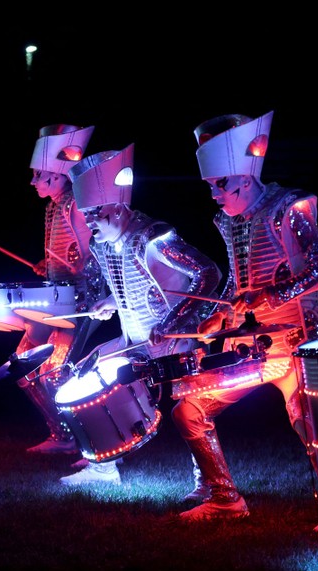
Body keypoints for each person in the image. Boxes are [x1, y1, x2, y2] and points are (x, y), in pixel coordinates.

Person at [171, 111, 318, 522]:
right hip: (254, 349)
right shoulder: (229, 223)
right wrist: (216, 318)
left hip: (299, 343)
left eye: (220, 184)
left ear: (245, 177)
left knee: (310, 424)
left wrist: (269, 295)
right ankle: (225, 499)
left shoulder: (289, 208)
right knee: (189, 408)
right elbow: (236, 284)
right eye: (210, 185)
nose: (214, 194)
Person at [58, 143, 222, 485]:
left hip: (175, 341)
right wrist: (109, 303)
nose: (89, 224)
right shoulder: (102, 245)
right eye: (85, 215)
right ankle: (103, 467)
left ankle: (209, 482)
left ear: (117, 209)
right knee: (87, 372)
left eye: (94, 215)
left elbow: (208, 274)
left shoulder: (154, 237)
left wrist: (173, 323)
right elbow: (130, 287)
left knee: (190, 411)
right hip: (134, 340)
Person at [11, 124, 106, 456]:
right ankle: (61, 434)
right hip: (58, 298)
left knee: (54, 373)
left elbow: (92, 255)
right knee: (23, 362)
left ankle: (86, 441)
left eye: (39, 175)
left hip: (82, 301)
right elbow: (64, 257)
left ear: (57, 175)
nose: (33, 182)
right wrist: (47, 265)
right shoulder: (52, 206)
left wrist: (71, 267)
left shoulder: (77, 203)